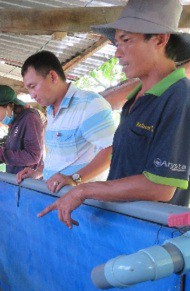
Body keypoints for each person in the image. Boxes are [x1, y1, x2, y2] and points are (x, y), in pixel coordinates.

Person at [38, 0, 190, 228]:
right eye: (117, 43)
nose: (117, 53)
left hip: (151, 234)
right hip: (122, 226)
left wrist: (84, 190)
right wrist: (75, 179)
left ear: (159, 39)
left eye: (126, 41)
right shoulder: (134, 101)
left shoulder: (182, 96)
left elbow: (161, 187)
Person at [17, 50, 116, 193]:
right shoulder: (51, 112)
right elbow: (58, 157)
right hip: (56, 199)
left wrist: (75, 179)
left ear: (52, 76)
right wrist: (37, 172)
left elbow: (112, 151)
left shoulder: (89, 104)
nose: (32, 95)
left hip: (82, 204)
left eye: (33, 87)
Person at [0, 85, 44, 174]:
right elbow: (16, 144)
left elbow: (33, 156)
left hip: (28, 182)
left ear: (10, 105)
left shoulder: (30, 118)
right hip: (16, 179)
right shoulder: (15, 121)